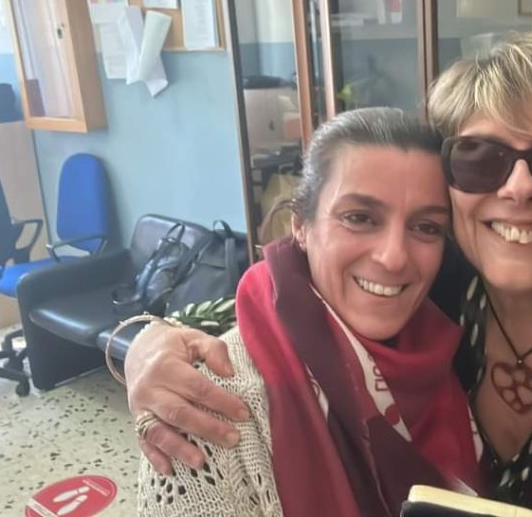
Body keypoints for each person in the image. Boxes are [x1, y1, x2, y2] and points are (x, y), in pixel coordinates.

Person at [125, 35, 532, 516]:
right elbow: (268, 305)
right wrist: (142, 343)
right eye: (481, 158)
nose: (520, 188)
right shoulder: (423, 280)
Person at [137, 108, 482, 516]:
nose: (394, 257)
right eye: (359, 218)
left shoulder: (451, 341)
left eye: (426, 227)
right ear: (300, 226)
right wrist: (142, 343)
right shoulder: (206, 405)